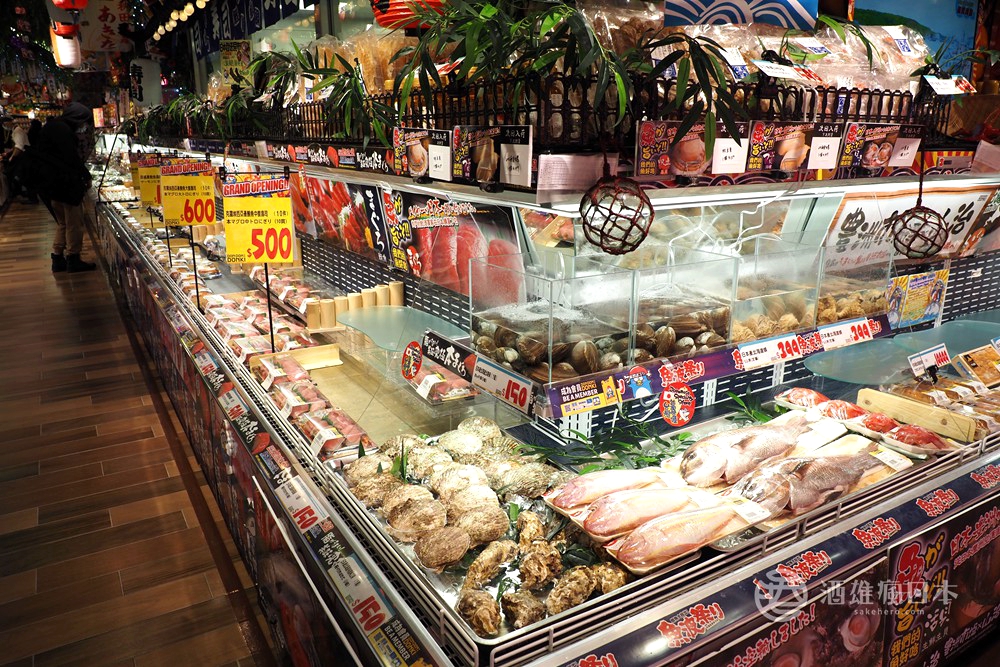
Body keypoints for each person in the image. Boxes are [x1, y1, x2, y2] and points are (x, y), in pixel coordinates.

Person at [25, 116, 96, 272]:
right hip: (66, 185)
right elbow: (72, 158)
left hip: (52, 185)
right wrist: (86, 176)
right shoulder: (63, 131)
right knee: (74, 223)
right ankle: (73, 258)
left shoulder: (50, 129)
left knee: (63, 223)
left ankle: (57, 258)